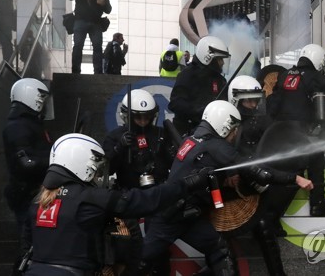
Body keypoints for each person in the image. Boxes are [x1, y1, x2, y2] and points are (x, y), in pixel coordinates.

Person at [21, 133, 212, 276]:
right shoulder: (90, 198)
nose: (97, 175)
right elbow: (144, 201)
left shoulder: (38, 201)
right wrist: (187, 184)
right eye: (95, 168)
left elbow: (27, 245)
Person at [136, 100, 243, 275]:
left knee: (219, 250)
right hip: (169, 217)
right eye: (233, 127)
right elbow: (244, 164)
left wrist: (225, 178)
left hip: (188, 217)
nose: (236, 133)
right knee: (144, 260)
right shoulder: (215, 145)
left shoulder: (192, 140)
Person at [227, 75, 313, 275]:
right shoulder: (227, 121)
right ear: (235, 100)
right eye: (248, 100)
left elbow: (276, 138)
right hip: (237, 182)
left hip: (263, 174)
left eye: (256, 99)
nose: (253, 104)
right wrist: (233, 171)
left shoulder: (263, 119)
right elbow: (223, 152)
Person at [267, 43, 325, 217]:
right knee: (316, 159)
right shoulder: (315, 77)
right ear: (317, 60)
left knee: (285, 172)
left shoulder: (284, 75)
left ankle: (273, 213)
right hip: (301, 132)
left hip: (278, 133)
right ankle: (317, 204)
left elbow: (272, 106)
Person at [102, 89, 172, 274]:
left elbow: (174, 161)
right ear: (126, 116)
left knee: (159, 243)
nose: (143, 122)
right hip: (128, 196)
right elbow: (106, 168)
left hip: (157, 195)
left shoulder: (162, 134)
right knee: (130, 244)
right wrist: (119, 148)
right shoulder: (115, 136)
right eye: (138, 117)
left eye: (147, 117)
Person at [2, 78, 52, 275]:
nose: (44, 103)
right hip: (27, 194)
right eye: (42, 98)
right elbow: (26, 163)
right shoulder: (18, 126)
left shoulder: (29, 124)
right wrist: (57, 160)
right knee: (28, 247)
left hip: (33, 192)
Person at [168, 35, 231, 136]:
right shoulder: (187, 75)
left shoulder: (220, 80)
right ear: (208, 57)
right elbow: (175, 103)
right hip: (187, 132)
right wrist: (197, 110)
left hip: (213, 132)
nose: (222, 63)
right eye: (220, 59)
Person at [68, 0, 112, 74]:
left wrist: (104, 3)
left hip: (95, 22)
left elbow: (108, 9)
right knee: (78, 45)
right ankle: (75, 71)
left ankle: (98, 72)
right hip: (80, 20)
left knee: (97, 47)